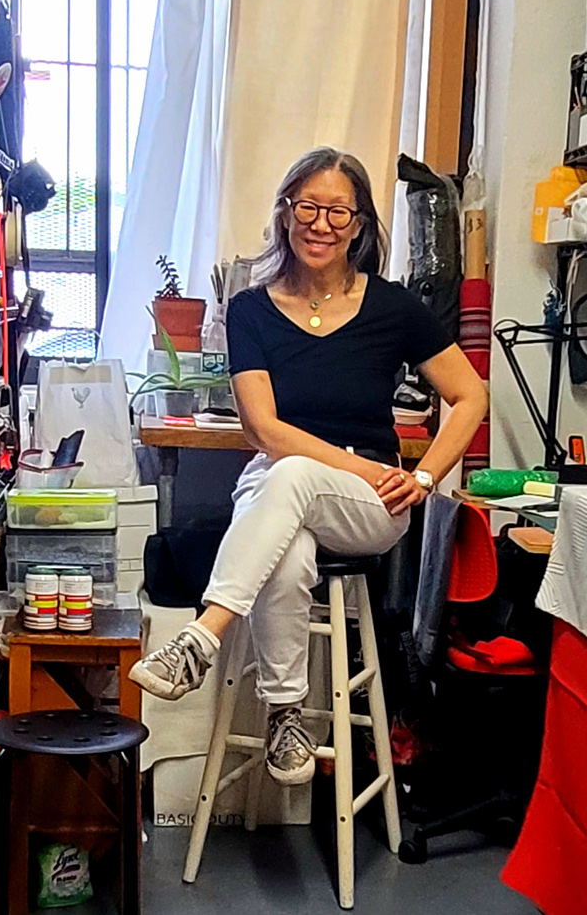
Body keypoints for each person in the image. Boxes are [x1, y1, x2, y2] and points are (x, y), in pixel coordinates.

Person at [130, 147, 487, 786]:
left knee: (289, 477)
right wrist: (344, 465)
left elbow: (470, 396)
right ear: (285, 213)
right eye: (307, 207)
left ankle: (203, 636)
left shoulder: (393, 307)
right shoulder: (250, 309)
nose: (321, 224)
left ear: (359, 224)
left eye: (338, 211)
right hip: (279, 481)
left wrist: (425, 476)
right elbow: (264, 429)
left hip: (371, 500)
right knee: (287, 546)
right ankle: (287, 715)